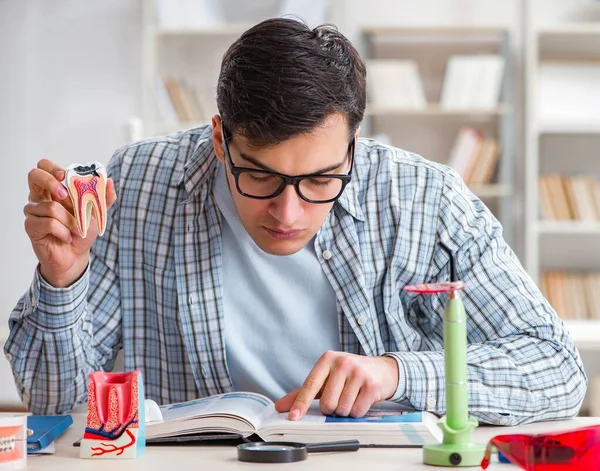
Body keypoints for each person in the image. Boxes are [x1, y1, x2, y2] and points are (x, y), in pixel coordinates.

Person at [7, 18, 586, 425]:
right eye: (258, 176)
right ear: (217, 139)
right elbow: (54, 403)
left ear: (353, 148)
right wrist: (63, 277)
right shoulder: (136, 185)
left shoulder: (426, 198)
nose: (288, 213)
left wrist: (396, 374)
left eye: (319, 181)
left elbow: (558, 370)